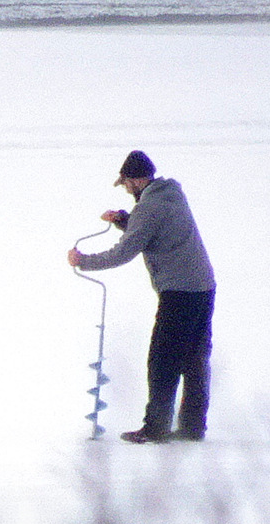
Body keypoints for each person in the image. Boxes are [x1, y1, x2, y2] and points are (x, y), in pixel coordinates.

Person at [67, 150, 216, 442]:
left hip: (180, 292)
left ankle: (156, 428)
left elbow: (124, 252)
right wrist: (125, 219)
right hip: (204, 286)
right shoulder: (171, 193)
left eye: (125, 184)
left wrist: (83, 260)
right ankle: (192, 426)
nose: (125, 189)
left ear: (136, 180)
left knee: (162, 360)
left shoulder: (149, 209)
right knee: (194, 358)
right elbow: (156, 228)